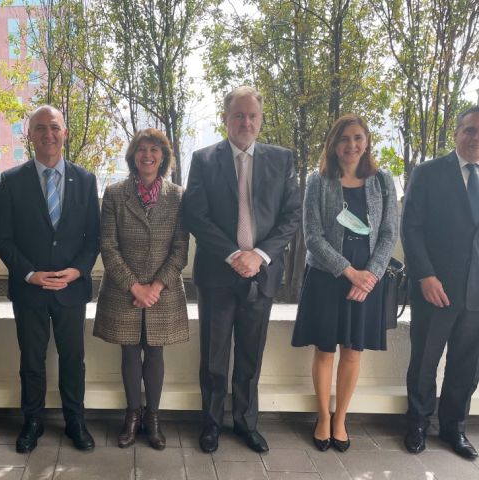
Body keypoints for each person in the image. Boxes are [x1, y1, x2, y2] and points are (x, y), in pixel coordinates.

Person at [182, 86, 301, 453]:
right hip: (218, 275)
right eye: (238, 115)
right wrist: (235, 254)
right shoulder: (204, 159)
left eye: (252, 116)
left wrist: (260, 254)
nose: (245, 122)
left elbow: (291, 215)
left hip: (262, 275)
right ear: (226, 118)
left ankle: (246, 423)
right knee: (214, 357)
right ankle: (212, 423)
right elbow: (195, 215)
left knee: (251, 354)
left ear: (261, 120)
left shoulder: (282, 160)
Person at [0, 105, 100, 453]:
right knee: (31, 360)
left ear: (64, 132)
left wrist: (79, 270)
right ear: (31, 136)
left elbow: (94, 237)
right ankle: (33, 421)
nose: (48, 134)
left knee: (73, 359)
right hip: (31, 290)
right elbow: (2, 237)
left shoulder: (85, 180)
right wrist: (30, 273)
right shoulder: (10, 181)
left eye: (54, 127)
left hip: (71, 288)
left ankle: (75, 421)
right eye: (40, 128)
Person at [291, 114, 397, 452]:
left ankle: (341, 419)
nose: (351, 145)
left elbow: (388, 234)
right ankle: (323, 417)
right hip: (327, 278)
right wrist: (349, 272)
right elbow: (313, 235)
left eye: (358, 138)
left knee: (353, 352)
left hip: (367, 282)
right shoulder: (318, 181)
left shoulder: (382, 181)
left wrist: (370, 276)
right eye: (344, 139)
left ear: (366, 142)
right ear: (333, 145)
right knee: (325, 350)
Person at [93, 129, 189, 450]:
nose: (147, 155)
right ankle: (132, 415)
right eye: (141, 149)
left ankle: (153, 418)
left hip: (164, 291)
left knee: (156, 351)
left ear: (163, 157)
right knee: (130, 351)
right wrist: (136, 287)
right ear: (133, 156)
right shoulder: (115, 193)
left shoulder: (177, 196)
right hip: (124, 291)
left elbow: (180, 248)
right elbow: (108, 246)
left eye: (154, 150)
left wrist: (155, 287)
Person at [402, 105, 479, 459]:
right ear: (456, 133)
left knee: (467, 363)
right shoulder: (429, 173)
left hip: (476, 292)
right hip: (435, 288)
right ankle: (417, 423)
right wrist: (425, 275)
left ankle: (454, 428)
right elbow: (412, 228)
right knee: (425, 361)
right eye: (469, 130)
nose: (475, 138)